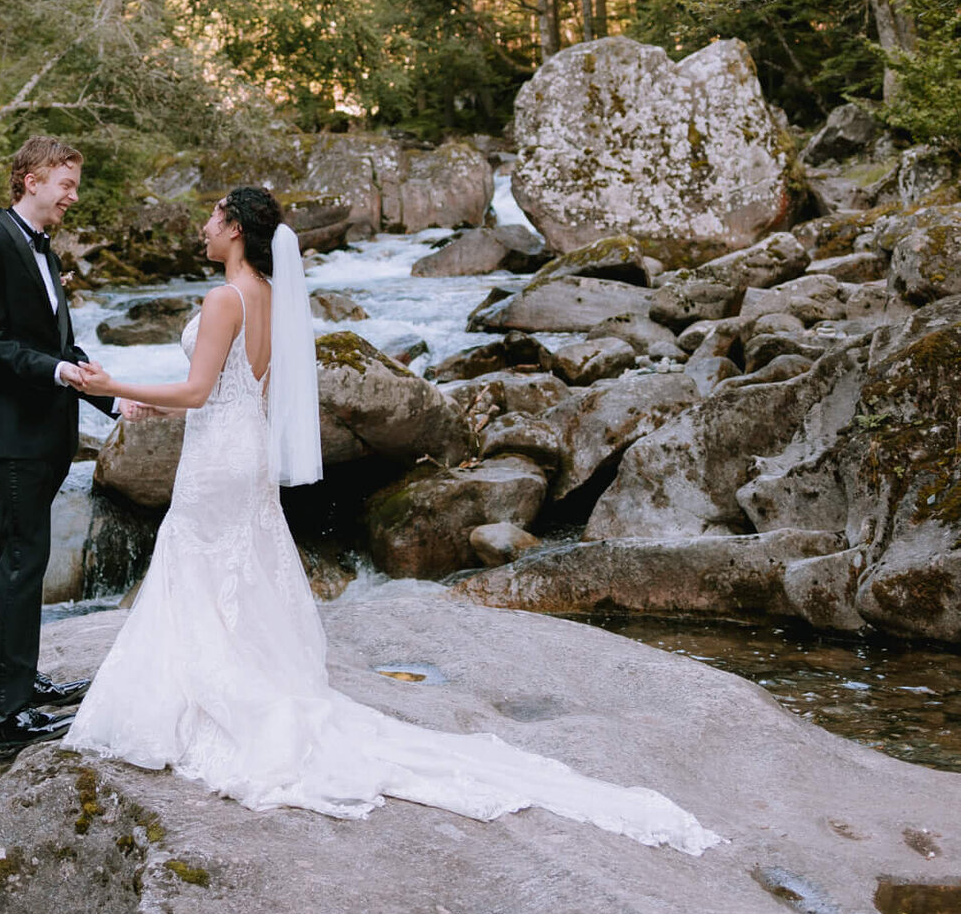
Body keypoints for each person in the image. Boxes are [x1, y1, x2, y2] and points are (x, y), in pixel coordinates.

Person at [64, 185, 719, 851]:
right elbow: (232, 394)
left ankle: (205, 699)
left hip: (216, 460)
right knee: (234, 566)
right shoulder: (268, 296)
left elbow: (203, 389)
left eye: (210, 217)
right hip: (246, 451)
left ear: (233, 227)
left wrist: (112, 386)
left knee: (200, 563)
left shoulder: (223, 298)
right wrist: (151, 406)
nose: (202, 227)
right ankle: (234, 678)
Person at [0, 135, 117, 757]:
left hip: (50, 428)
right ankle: (6, 718)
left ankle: (16, 682)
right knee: (23, 563)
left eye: (75, 185)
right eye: (66, 184)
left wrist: (114, 400)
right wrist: (56, 373)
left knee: (11, 558)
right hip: (18, 430)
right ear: (30, 180)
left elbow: (62, 347)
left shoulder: (43, 250)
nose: (72, 197)